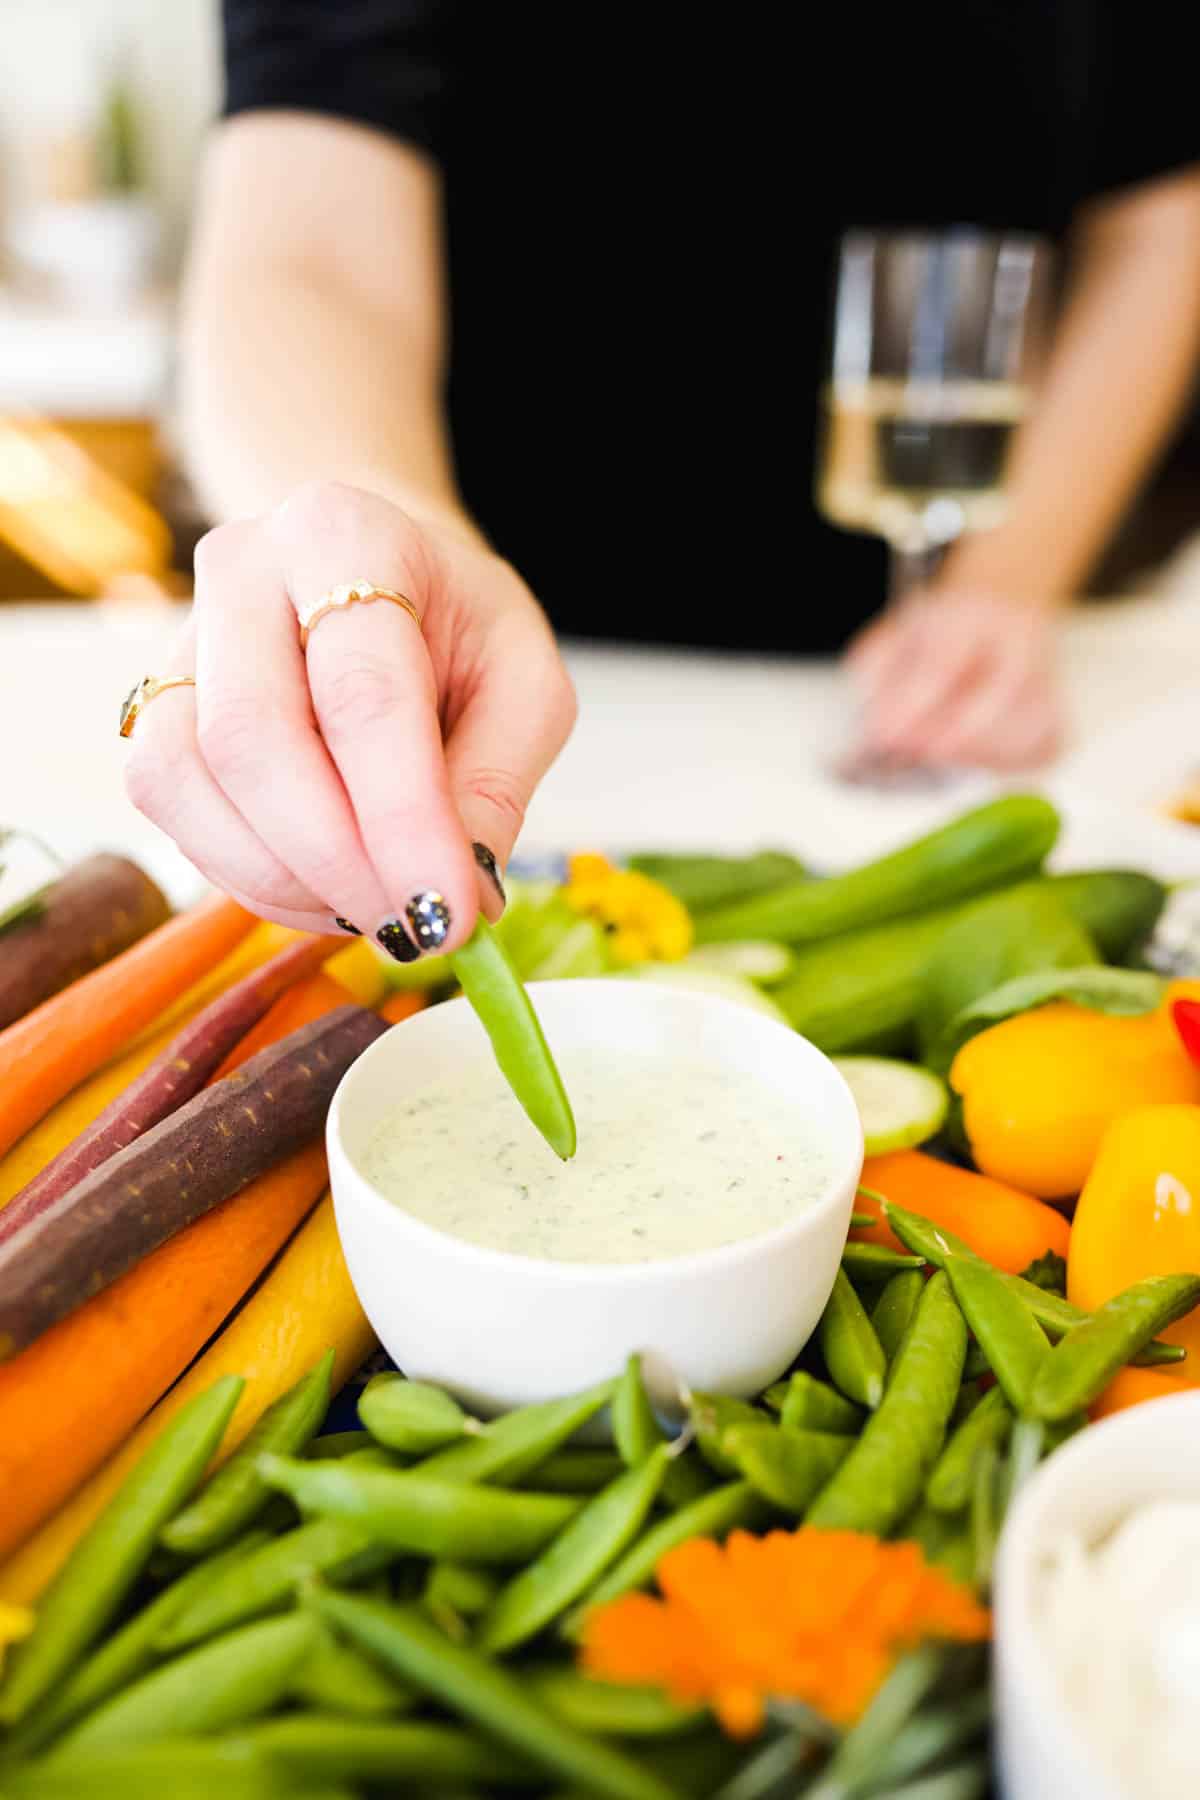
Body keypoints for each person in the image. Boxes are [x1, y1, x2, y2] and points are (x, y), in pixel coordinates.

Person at [125, 3, 1200, 963]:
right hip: (495, 658)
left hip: (929, 670)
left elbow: (1163, 207)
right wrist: (384, 539)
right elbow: (304, 232)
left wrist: (1005, 580)